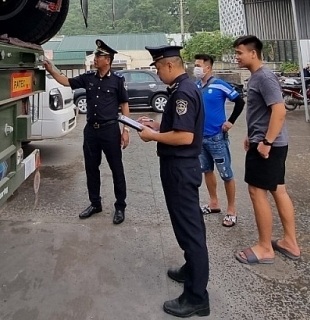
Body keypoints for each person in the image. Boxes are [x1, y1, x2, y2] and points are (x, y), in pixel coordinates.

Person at [137, 45, 210, 318]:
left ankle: (196, 297)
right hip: (180, 167)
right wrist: (158, 126)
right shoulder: (185, 87)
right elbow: (179, 127)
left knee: (191, 233)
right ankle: (191, 270)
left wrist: (153, 136)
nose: (157, 73)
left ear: (169, 65)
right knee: (188, 227)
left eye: (157, 68)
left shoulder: (183, 92)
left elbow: (184, 137)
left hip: (180, 167)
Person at [44, 39, 130, 225]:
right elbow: (66, 81)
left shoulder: (117, 81)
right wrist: (51, 70)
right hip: (91, 130)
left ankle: (120, 206)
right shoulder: (88, 77)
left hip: (110, 130)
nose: (95, 58)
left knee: (116, 169)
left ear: (108, 60)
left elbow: (124, 105)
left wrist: (125, 130)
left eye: (99, 56)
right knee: (91, 168)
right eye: (96, 55)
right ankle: (95, 203)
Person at [232, 35, 300, 266]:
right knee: (278, 190)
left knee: (257, 192)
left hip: (268, 147)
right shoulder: (258, 77)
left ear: (253, 53)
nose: (236, 57)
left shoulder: (264, 77)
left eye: (240, 52)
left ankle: (264, 248)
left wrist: (266, 142)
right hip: (266, 143)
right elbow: (263, 113)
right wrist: (252, 136)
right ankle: (290, 242)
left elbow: (279, 111)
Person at [193, 53, 244, 228]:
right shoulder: (196, 86)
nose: (196, 68)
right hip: (201, 138)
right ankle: (214, 203)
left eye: (199, 65)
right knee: (207, 170)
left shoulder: (220, 85)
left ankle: (231, 210)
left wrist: (230, 122)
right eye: (195, 65)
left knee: (226, 174)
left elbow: (240, 102)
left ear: (208, 67)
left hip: (217, 138)